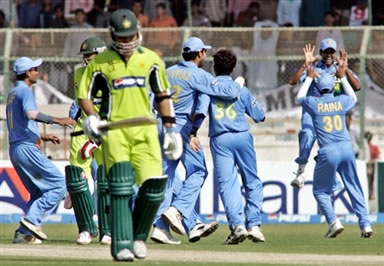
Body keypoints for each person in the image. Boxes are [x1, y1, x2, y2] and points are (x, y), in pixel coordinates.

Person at [77, 9, 182, 261]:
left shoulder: (152, 60)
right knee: (121, 187)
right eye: (122, 38)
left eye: (130, 36)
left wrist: (170, 129)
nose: (127, 42)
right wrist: (92, 118)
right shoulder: (99, 63)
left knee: (154, 187)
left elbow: (163, 95)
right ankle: (122, 244)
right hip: (114, 131)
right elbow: (85, 96)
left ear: (139, 33)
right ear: (113, 35)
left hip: (146, 129)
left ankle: (138, 238)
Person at [151, 37, 243, 244]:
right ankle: (178, 210)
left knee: (166, 177)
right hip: (181, 127)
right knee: (199, 171)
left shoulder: (167, 72)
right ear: (199, 53)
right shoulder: (198, 74)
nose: (206, 55)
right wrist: (238, 84)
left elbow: (152, 98)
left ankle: (160, 227)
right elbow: (226, 92)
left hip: (160, 125)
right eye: (204, 52)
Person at [194, 49, 266, 244]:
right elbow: (260, 116)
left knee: (228, 185)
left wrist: (192, 133)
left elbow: (200, 112)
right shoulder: (241, 89)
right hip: (242, 137)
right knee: (252, 181)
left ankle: (237, 226)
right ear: (233, 68)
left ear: (214, 67)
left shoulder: (210, 87)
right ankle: (255, 226)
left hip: (220, 139)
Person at [296, 68, 373, 238]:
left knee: (320, 191)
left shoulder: (314, 103)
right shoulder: (341, 101)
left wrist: (308, 79)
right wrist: (343, 77)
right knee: (355, 187)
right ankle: (365, 224)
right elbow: (353, 97)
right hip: (346, 148)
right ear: (333, 87)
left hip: (328, 150)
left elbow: (299, 97)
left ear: (319, 87)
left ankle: (333, 222)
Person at [6, 57, 75, 244]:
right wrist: (58, 120)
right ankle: (31, 220)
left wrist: (42, 136)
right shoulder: (25, 91)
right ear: (28, 72)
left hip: (16, 149)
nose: (38, 71)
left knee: (37, 192)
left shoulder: (12, 93)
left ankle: (22, 233)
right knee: (58, 184)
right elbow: (31, 114)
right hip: (27, 149)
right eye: (35, 68)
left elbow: (20, 123)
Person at [288, 38, 360, 188]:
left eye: (331, 52)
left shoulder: (338, 67)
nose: (328, 55)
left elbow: (357, 86)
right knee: (307, 134)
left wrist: (345, 70)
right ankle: (301, 170)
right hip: (312, 110)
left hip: (329, 111)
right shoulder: (314, 66)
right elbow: (292, 81)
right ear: (320, 53)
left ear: (334, 53)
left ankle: (332, 178)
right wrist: (305, 65)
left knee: (330, 145)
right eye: (325, 52)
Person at [65, 37, 110, 246]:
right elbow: (81, 103)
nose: (85, 59)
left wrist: (99, 140)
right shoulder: (79, 73)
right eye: (83, 56)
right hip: (83, 130)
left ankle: (107, 231)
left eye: (89, 55)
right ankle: (85, 230)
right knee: (76, 179)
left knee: (108, 180)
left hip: (108, 131)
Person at [365, 131, 381, 200]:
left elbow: (378, 156)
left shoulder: (373, 147)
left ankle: (371, 194)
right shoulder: (363, 147)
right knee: (368, 181)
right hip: (365, 166)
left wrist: (372, 161)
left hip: (371, 167)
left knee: (371, 181)